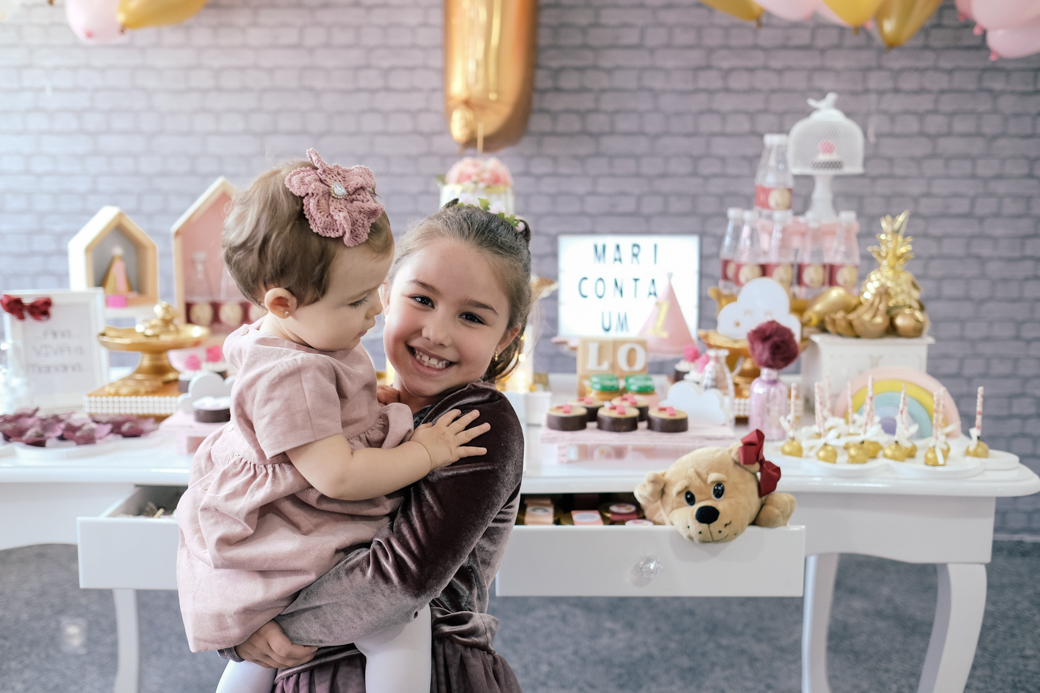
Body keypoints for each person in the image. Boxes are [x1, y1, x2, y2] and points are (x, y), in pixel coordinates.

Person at [176, 150, 492, 693]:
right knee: (398, 624)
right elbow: (339, 476)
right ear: (282, 302)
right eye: (356, 300)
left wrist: (371, 400)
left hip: (297, 513)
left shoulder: (307, 336)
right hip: (298, 526)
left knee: (265, 655)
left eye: (377, 290)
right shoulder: (294, 371)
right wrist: (429, 452)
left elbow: (331, 407)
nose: (374, 310)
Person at [225, 199, 533, 693]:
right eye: (423, 300)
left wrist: (261, 629)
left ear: (506, 337)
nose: (437, 333)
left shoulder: (475, 422)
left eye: (472, 317)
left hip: (429, 666)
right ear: (385, 294)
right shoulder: (341, 396)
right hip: (305, 667)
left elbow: (401, 580)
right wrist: (234, 621)